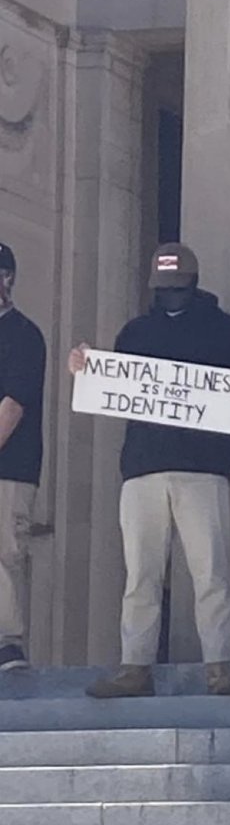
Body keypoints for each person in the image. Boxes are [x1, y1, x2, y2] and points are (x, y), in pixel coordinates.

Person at [69, 244, 230, 697]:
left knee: (210, 572)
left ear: (193, 283)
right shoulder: (135, 332)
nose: (171, 295)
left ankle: (218, 665)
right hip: (143, 469)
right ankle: (135, 666)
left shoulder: (226, 331)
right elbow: (112, 389)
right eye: (164, 288)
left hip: (204, 468)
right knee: (140, 575)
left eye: (177, 287)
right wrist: (88, 369)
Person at [0, 243, 47, 673]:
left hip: (8, 470)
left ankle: (6, 645)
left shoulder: (23, 335)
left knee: (2, 554)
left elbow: (12, 406)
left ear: (7, 279)